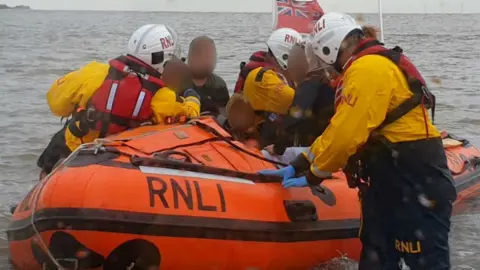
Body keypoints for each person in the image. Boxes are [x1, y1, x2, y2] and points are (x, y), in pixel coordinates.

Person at [260, 12, 456, 270]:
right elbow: (339, 129)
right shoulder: (365, 67)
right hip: (390, 179)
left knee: (425, 261)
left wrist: (313, 176)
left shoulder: (367, 69)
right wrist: (301, 162)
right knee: (376, 256)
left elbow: (346, 137)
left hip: (413, 177)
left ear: (330, 47)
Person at [37, 24, 201, 179]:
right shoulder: (162, 96)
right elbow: (189, 116)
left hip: (74, 149)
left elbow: (56, 104)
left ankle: (42, 183)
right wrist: (192, 97)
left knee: (64, 135)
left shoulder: (93, 73)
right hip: (117, 162)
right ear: (162, 60)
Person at [227, 28, 302, 149]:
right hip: (257, 139)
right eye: (299, 57)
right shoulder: (263, 78)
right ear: (285, 56)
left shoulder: (277, 74)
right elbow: (296, 101)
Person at [187, 35, 229, 116]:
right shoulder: (177, 82)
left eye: (212, 56)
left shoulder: (219, 85)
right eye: (205, 56)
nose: (210, 61)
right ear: (191, 56)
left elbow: (224, 114)